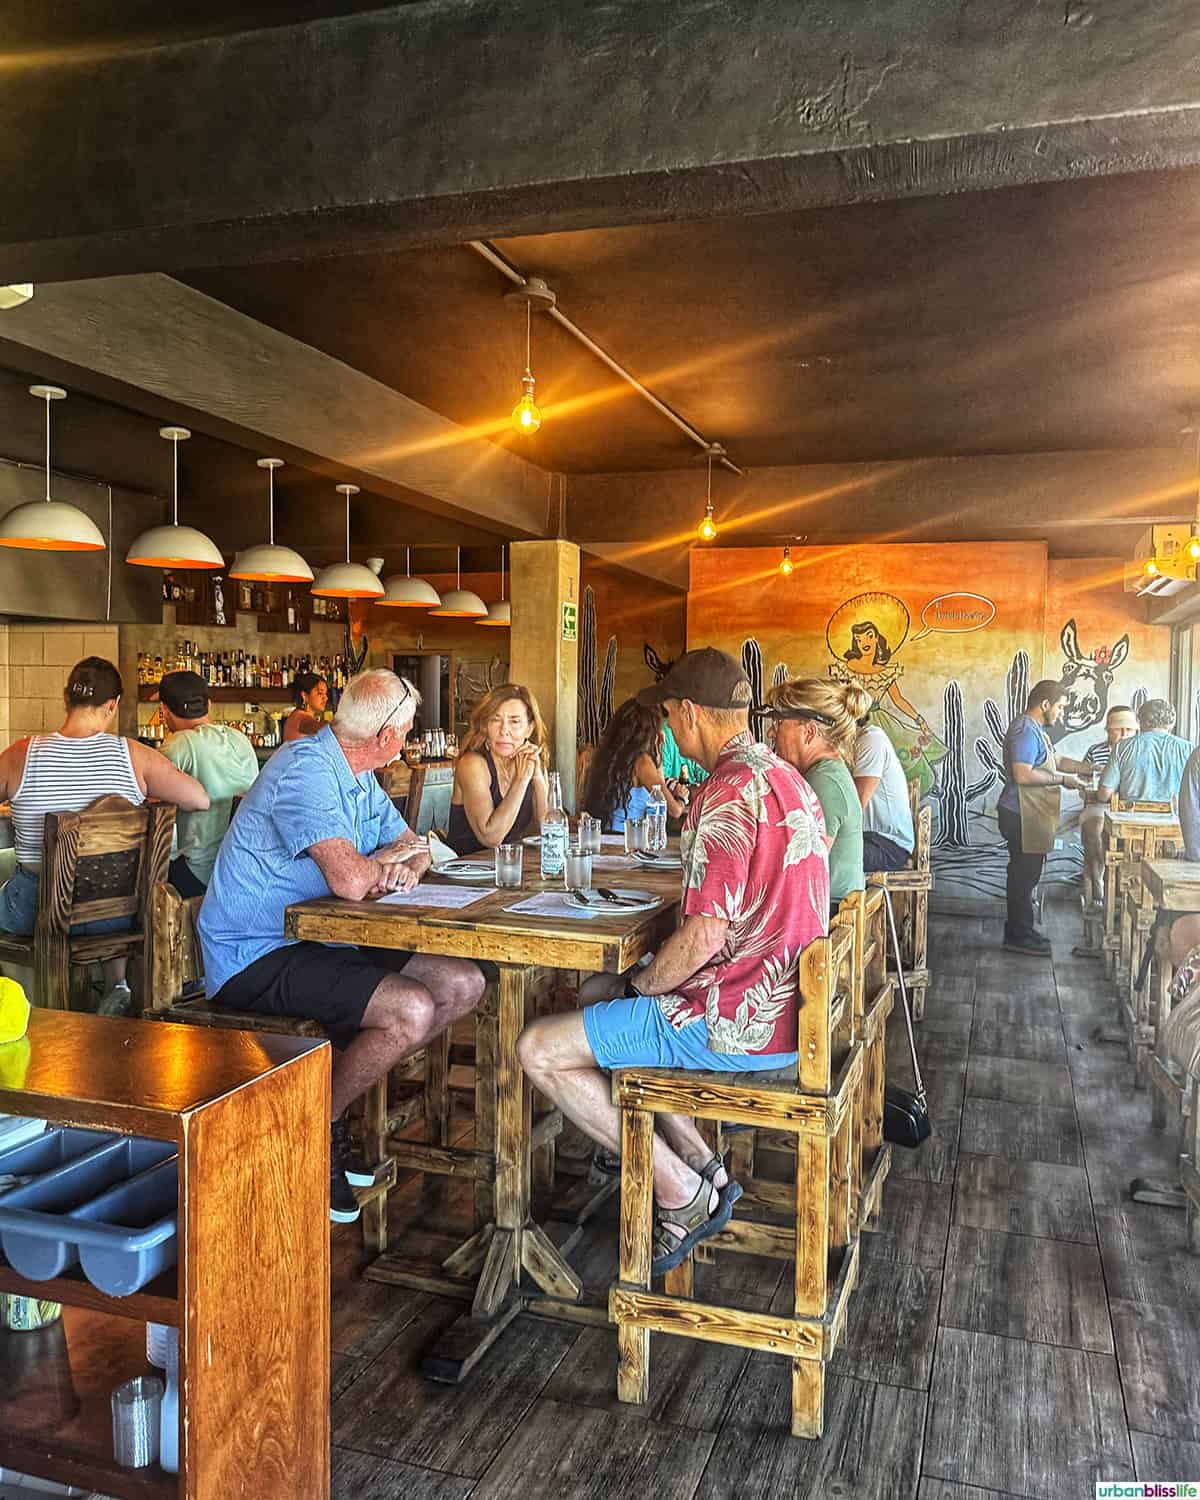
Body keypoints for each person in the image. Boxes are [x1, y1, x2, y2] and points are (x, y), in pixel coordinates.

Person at [517, 648, 829, 1274]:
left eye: (668, 717)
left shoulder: (726, 790)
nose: (667, 731)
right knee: (597, 995)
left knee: (538, 1048)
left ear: (688, 714)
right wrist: (632, 986)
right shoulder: (783, 774)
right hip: (787, 1009)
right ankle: (706, 1167)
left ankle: (679, 1193)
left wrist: (639, 987)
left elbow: (703, 937)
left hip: (734, 1020)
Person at [199, 668, 486, 1224]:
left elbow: (414, 846)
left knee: (462, 982)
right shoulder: (307, 770)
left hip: (324, 938)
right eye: (404, 732)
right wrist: (384, 866)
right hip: (254, 952)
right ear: (387, 738)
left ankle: (329, 1106)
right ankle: (317, 1124)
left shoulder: (356, 775)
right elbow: (351, 881)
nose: (404, 742)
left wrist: (402, 861)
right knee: (411, 1007)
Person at [0, 657, 209, 1013]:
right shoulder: (133, 755)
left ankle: (20, 1006)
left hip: (34, 909)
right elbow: (199, 798)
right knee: (108, 879)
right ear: (112, 706)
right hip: (115, 912)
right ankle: (117, 986)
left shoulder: (22, 753)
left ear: (66, 698)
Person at [997, 679, 1090, 956]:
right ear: (1045, 704)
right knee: (1023, 876)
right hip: (1020, 813)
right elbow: (1023, 773)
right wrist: (1063, 780)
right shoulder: (1025, 730)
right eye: (1060, 707)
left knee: (1027, 873)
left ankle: (1020, 930)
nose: (1061, 713)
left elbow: (1056, 760)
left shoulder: (1037, 731)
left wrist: (1091, 767)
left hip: (1030, 813)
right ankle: (1017, 935)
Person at [157, 670, 260, 897]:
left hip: (201, 875)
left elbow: (151, 806)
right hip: (243, 870)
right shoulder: (240, 739)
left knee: (149, 870)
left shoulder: (178, 744)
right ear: (209, 705)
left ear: (164, 710)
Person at [764, 677, 866, 903]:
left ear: (809, 732)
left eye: (779, 723)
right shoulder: (824, 774)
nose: (772, 734)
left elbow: (798, 871)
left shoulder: (823, 782)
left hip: (828, 922)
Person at [445, 684, 549, 855]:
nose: (504, 731)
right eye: (495, 720)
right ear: (485, 725)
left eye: (514, 722)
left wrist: (538, 779)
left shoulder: (531, 762)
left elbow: (549, 831)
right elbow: (490, 838)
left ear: (529, 729)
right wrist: (521, 780)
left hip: (510, 868)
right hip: (466, 872)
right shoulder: (472, 765)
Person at [582, 697, 686, 833]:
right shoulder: (642, 762)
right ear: (650, 731)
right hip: (627, 840)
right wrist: (681, 797)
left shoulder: (612, 757)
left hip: (607, 835)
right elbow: (674, 810)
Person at [1078, 704, 1138, 913]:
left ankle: (1125, 892)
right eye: (1118, 729)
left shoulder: (1139, 753)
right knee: (1096, 828)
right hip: (1099, 806)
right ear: (1108, 729)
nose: (1124, 734)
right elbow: (1083, 786)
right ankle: (1099, 887)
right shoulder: (1096, 752)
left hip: (1129, 810)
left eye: (1129, 729)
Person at [1095, 698, 1193, 808]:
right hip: (1176, 821)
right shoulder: (1189, 749)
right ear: (1172, 722)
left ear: (1141, 721)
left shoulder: (1122, 747)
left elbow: (1104, 794)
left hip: (1129, 820)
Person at [852, 716, 915, 873]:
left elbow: (854, 809)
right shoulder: (854, 745)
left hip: (888, 845)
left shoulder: (871, 741)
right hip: (867, 839)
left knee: (830, 856)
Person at [284, 672, 329, 742]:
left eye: (325, 694)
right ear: (304, 696)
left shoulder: (299, 715)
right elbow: (320, 728)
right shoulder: (300, 718)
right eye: (320, 693)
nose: (325, 698)